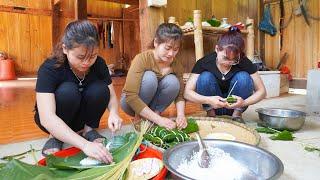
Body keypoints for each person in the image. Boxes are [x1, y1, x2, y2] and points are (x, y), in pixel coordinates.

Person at [34, 20, 123, 164]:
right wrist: (84, 145)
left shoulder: (99, 64)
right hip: (56, 118)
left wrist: (113, 112)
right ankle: (55, 136)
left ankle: (88, 130)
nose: (86, 62)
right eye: (81, 57)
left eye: (92, 56)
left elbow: (111, 95)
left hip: (82, 116)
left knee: (101, 89)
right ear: (65, 49)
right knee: (68, 91)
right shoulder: (50, 68)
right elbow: (46, 117)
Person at [184, 26, 266, 122]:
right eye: (225, 58)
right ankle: (211, 114)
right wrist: (208, 100)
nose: (229, 62)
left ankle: (237, 115)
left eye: (234, 59)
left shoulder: (244, 62)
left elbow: (262, 92)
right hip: (213, 105)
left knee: (243, 77)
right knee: (205, 77)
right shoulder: (204, 62)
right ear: (217, 49)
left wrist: (243, 103)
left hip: (236, 106)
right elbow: (187, 93)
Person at [120, 23, 187, 130]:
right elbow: (131, 96)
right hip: (130, 103)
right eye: (167, 48)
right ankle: (139, 118)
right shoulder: (142, 59)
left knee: (173, 82)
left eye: (175, 49)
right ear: (156, 42)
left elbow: (180, 95)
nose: (171, 54)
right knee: (150, 78)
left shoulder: (176, 64)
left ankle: (154, 115)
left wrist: (181, 115)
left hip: (153, 104)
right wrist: (159, 120)